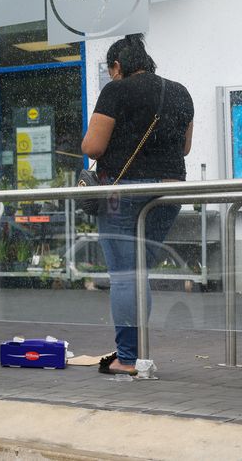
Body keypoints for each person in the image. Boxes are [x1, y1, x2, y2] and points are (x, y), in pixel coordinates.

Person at [80, 34, 194, 376]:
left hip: (124, 192)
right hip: (170, 192)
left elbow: (94, 148)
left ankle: (127, 358)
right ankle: (134, 353)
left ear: (118, 66)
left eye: (110, 69)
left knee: (125, 275)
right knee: (139, 271)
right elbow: (185, 149)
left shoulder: (116, 90)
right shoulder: (180, 92)